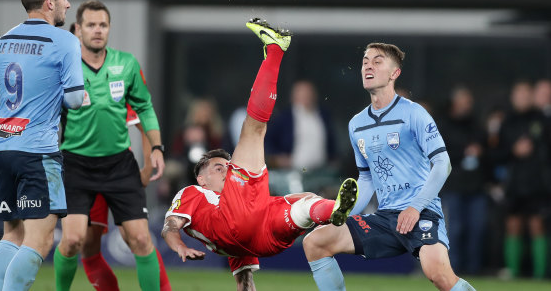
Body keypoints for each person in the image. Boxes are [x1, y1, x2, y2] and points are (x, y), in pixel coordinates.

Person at [162, 18, 358, 291]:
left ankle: (333, 210)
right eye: (219, 167)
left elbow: (245, 281)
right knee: (253, 130)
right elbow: (170, 226)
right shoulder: (192, 194)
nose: (227, 168)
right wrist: (179, 246)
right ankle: (276, 50)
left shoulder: (226, 218)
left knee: (303, 203)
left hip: (263, 236)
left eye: (226, 165)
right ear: (201, 178)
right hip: (239, 221)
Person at [302, 43, 476, 291]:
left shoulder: (414, 114)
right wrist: (345, 215)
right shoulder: (357, 124)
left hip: (422, 213)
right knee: (316, 242)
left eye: (377, 61)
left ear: (395, 73)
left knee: (438, 274)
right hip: (386, 218)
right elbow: (366, 178)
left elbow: (442, 164)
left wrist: (415, 207)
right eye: (365, 61)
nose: (368, 66)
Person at [53, 0, 168, 291]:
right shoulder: (63, 68)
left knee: (141, 240)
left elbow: (145, 109)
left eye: (102, 25)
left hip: (119, 164)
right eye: (90, 25)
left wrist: (156, 148)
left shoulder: (126, 63)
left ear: (109, 28)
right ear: (77, 29)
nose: (97, 30)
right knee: (72, 241)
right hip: (76, 165)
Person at [0, 0, 84, 290]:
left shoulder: (2, 43)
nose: (68, 5)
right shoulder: (66, 41)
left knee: (12, 233)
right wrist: (82, 96)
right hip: (36, 152)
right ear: (48, 3)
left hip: (2, 147)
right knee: (40, 242)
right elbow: (72, 100)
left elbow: (3, 97)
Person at [498, 81, 550, 279]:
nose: (522, 98)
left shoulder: (542, 120)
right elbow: (497, 153)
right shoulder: (507, 122)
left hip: (537, 183)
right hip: (514, 184)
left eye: (526, 94)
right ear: (513, 97)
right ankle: (512, 271)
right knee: (513, 225)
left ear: (532, 96)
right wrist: (513, 151)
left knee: (537, 225)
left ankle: (540, 274)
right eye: (518, 94)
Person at [438, 86, 489, 275]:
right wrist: (463, 153)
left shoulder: (477, 124)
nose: (467, 105)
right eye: (464, 101)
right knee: (455, 229)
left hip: (476, 186)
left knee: (477, 228)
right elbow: (439, 154)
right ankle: (454, 268)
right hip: (454, 185)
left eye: (469, 101)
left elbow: (488, 150)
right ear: (455, 102)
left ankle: (475, 269)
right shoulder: (443, 125)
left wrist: (480, 153)